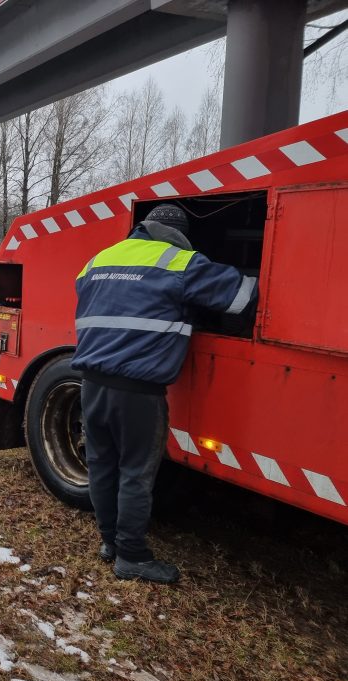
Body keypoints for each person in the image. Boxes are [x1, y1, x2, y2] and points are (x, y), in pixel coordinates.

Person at [72, 203, 257, 584]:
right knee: (135, 474)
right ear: (179, 234)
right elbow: (241, 297)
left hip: (91, 383)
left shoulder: (99, 259)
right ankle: (132, 556)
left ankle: (109, 542)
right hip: (138, 391)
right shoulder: (181, 261)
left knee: (103, 465)